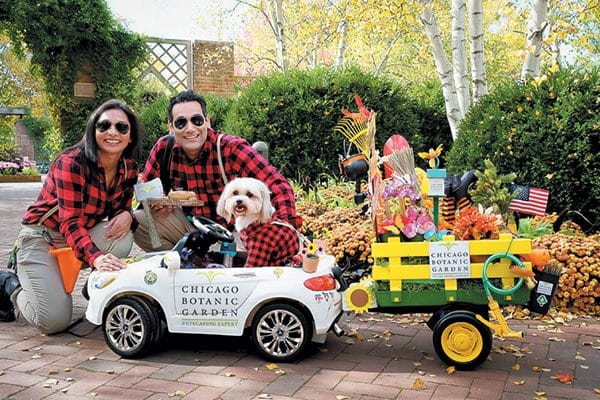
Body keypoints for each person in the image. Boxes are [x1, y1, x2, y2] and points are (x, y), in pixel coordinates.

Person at [0, 99, 144, 333]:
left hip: (77, 236)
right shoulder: (72, 163)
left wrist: (128, 214)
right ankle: (9, 285)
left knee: (123, 236)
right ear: (93, 130)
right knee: (53, 321)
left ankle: (96, 287)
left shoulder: (129, 167)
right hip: (42, 236)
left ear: (130, 136)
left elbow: (120, 207)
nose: (112, 132)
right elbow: (70, 221)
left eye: (121, 127)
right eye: (104, 126)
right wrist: (96, 258)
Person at [133, 89, 300, 253]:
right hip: (192, 226)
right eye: (181, 122)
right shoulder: (165, 149)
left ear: (207, 121)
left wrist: (284, 229)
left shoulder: (230, 149)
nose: (190, 129)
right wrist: (155, 203)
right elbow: (145, 191)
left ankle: (233, 259)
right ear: (171, 127)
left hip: (234, 231)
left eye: (196, 120)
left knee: (252, 256)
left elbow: (278, 185)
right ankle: (182, 262)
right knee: (140, 219)